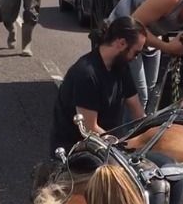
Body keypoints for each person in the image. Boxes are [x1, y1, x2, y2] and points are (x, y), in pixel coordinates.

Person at [51, 17, 147, 154]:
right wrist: (122, 149)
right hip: (78, 150)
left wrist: (151, 135)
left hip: (105, 144)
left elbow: (138, 112)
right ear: (121, 43)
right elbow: (90, 128)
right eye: (136, 52)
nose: (136, 57)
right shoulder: (86, 74)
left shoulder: (121, 67)